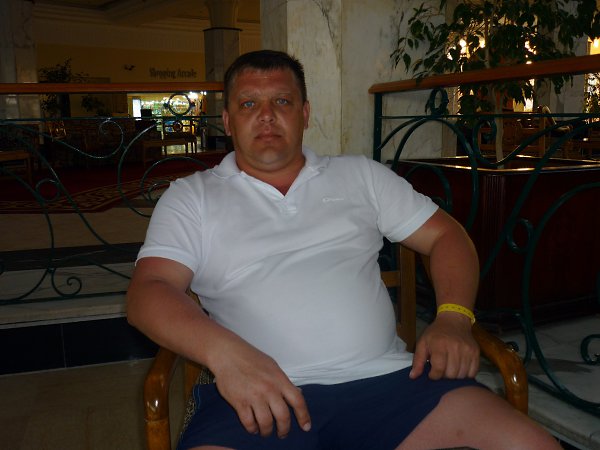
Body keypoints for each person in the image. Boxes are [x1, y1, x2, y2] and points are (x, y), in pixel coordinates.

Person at [127, 50, 561, 450]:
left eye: (282, 101)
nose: (266, 116)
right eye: (248, 104)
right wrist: (227, 356)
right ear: (227, 120)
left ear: (305, 113)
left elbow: (447, 237)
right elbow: (149, 290)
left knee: (533, 445)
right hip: (256, 393)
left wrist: (453, 316)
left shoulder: (360, 175)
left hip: (391, 384)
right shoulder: (192, 196)